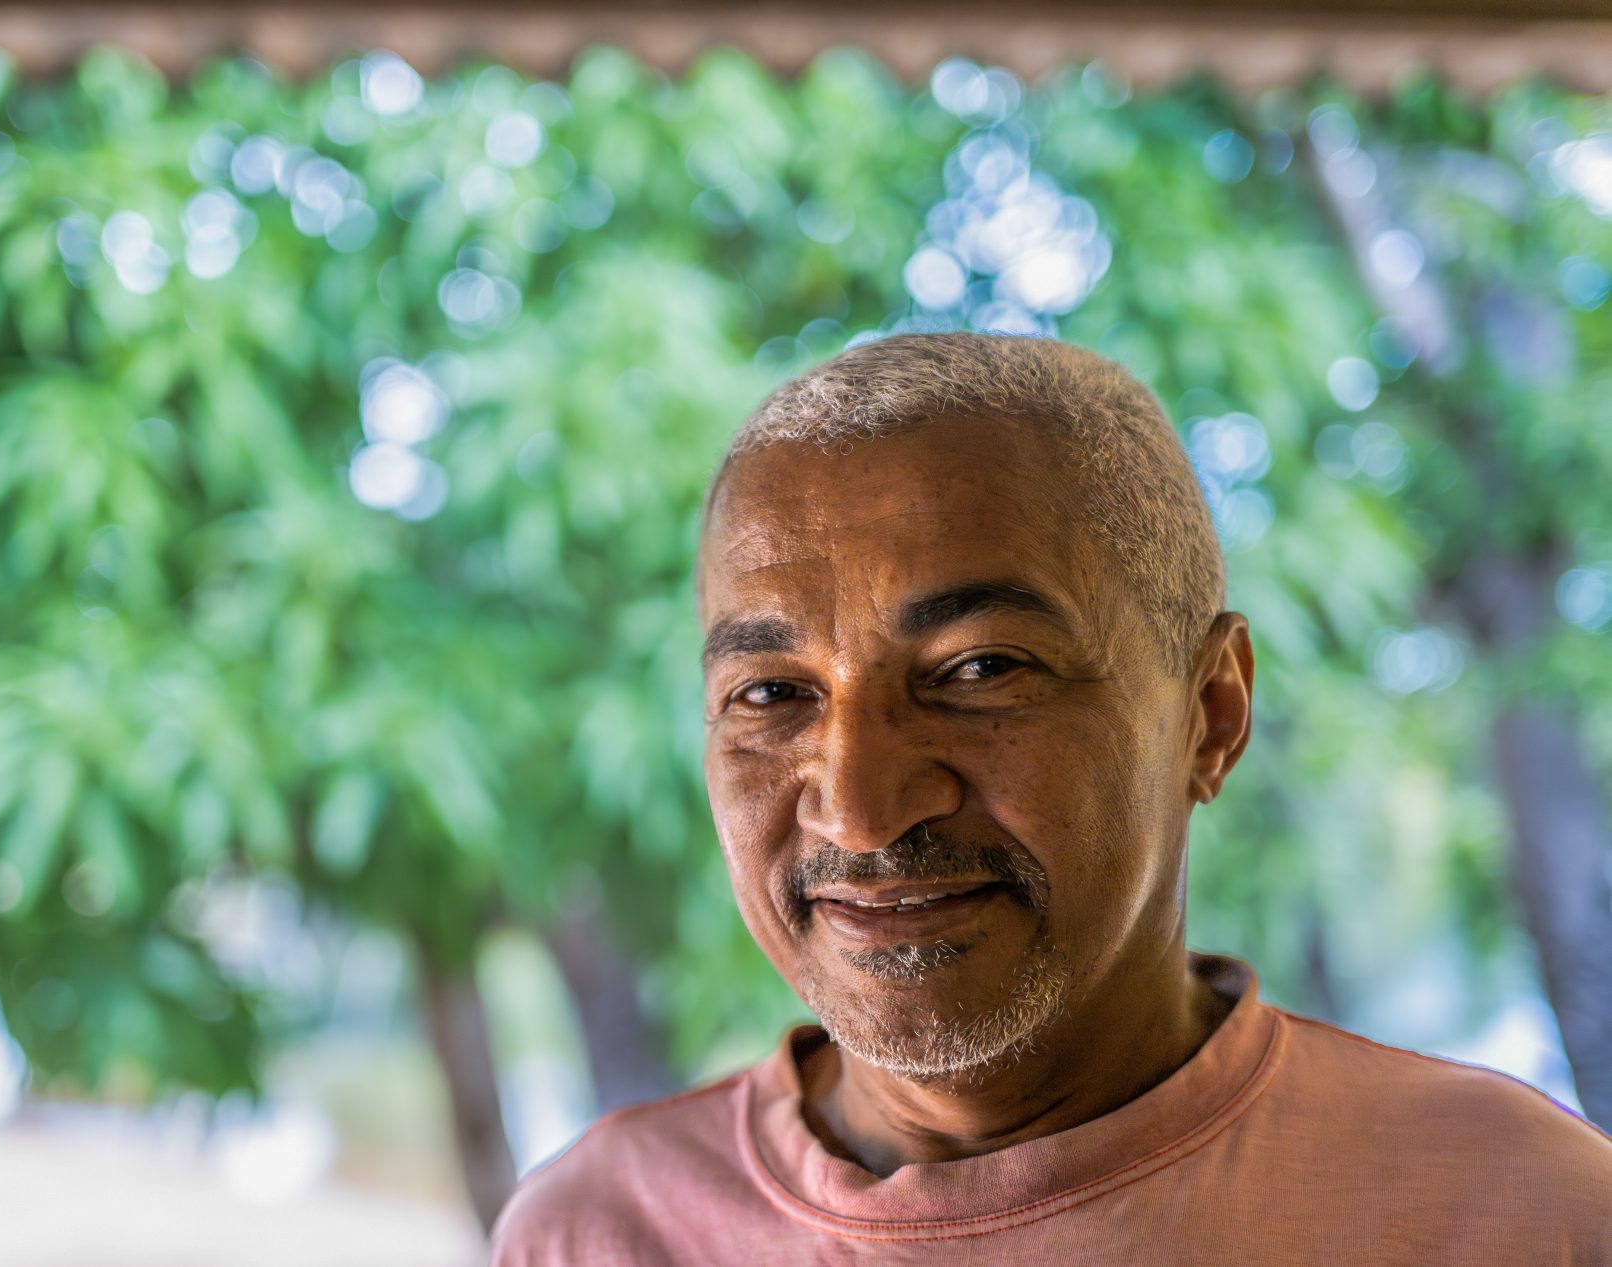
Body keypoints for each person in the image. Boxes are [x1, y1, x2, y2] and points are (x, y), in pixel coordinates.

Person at [488, 333, 1612, 1265]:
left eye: (980, 668)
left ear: (1210, 713)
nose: (861, 810)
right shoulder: (595, 1236)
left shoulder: (1516, 1214)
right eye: (772, 693)